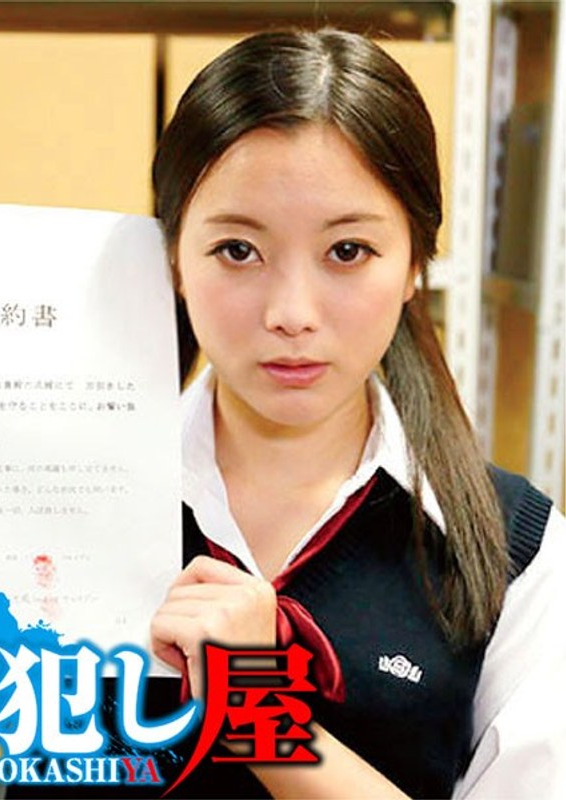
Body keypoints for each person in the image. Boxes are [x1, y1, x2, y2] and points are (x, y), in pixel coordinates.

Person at [150, 28, 566, 799]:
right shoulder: (50, 498)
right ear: (175, 255)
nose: (291, 313)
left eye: (346, 251)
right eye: (238, 249)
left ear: (414, 264)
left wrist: (257, 715)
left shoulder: (514, 551)